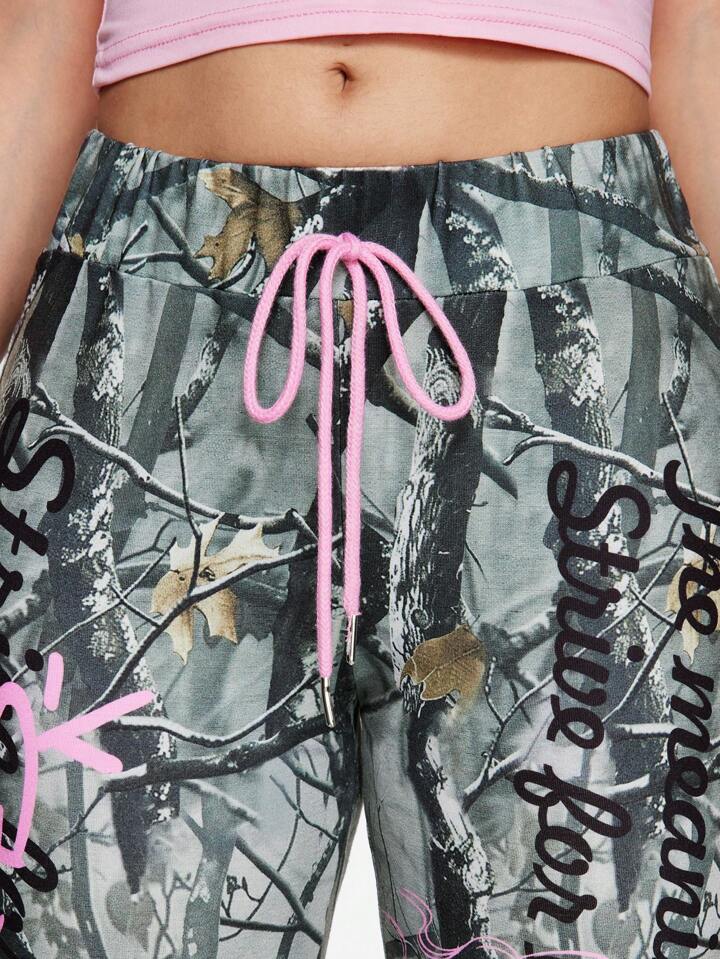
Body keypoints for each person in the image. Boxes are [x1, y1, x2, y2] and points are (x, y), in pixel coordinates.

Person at [0, 2, 718, 957]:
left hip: (575, 292)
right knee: (102, 912)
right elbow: (39, 33)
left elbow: (702, 37)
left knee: (592, 921)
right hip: (146, 300)